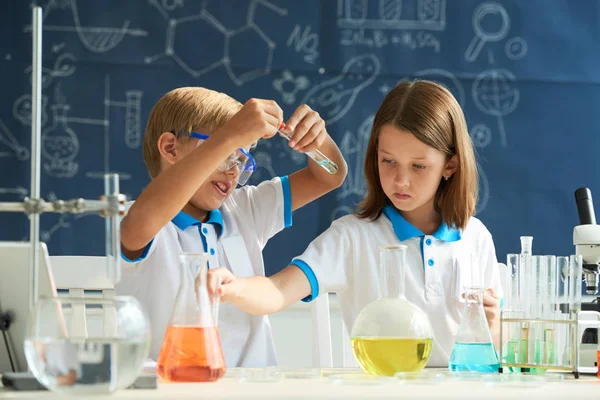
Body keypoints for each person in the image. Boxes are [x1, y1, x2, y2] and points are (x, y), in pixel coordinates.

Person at [206, 80, 503, 367]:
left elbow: (496, 353)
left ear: (450, 166)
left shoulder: (475, 238)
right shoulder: (352, 237)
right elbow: (279, 289)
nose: (401, 180)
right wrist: (234, 287)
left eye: (419, 166)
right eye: (388, 161)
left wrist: (492, 325)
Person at [115, 87, 347, 367]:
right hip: (171, 389)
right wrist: (231, 135)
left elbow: (330, 176)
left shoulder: (244, 210)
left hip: (251, 388)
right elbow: (141, 223)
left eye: (241, 159)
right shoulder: (140, 218)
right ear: (170, 148)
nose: (233, 170)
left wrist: (316, 141)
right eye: (224, 152)